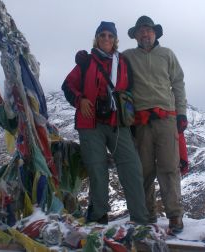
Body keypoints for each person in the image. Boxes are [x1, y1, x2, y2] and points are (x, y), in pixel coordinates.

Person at [62, 21, 148, 225]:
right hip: (90, 125)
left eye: (110, 35)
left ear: (115, 39)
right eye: (103, 35)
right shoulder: (86, 62)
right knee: (97, 170)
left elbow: (130, 91)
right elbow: (68, 86)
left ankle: (140, 218)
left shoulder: (124, 63)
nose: (106, 39)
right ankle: (98, 216)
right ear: (97, 38)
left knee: (132, 168)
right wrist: (80, 100)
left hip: (118, 123)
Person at [123, 15, 187, 233]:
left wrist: (181, 113)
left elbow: (178, 83)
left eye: (148, 30)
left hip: (167, 118)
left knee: (169, 168)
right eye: (141, 30)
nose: (145, 33)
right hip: (141, 122)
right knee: (144, 170)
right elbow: (109, 65)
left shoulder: (167, 54)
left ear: (155, 33)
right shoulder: (127, 57)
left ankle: (175, 216)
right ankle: (146, 215)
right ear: (136, 36)